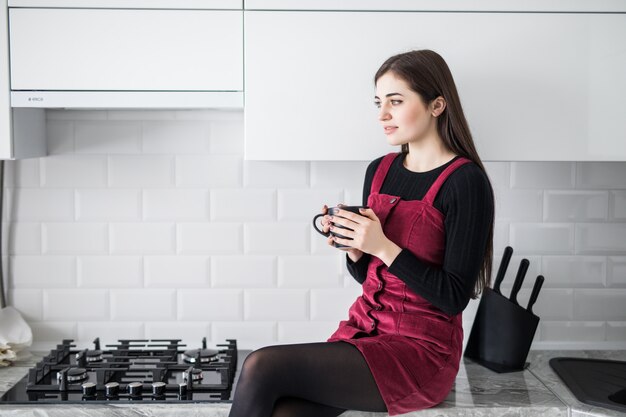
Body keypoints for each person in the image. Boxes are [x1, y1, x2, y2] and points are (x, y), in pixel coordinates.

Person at [227, 49, 495, 417]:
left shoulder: (466, 182)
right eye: (378, 102)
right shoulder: (379, 170)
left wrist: (382, 247)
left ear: (437, 105)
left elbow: (452, 297)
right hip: (364, 331)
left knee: (261, 365)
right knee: (282, 412)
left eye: (396, 102)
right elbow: (371, 277)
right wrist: (355, 249)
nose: (383, 115)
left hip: (421, 352)